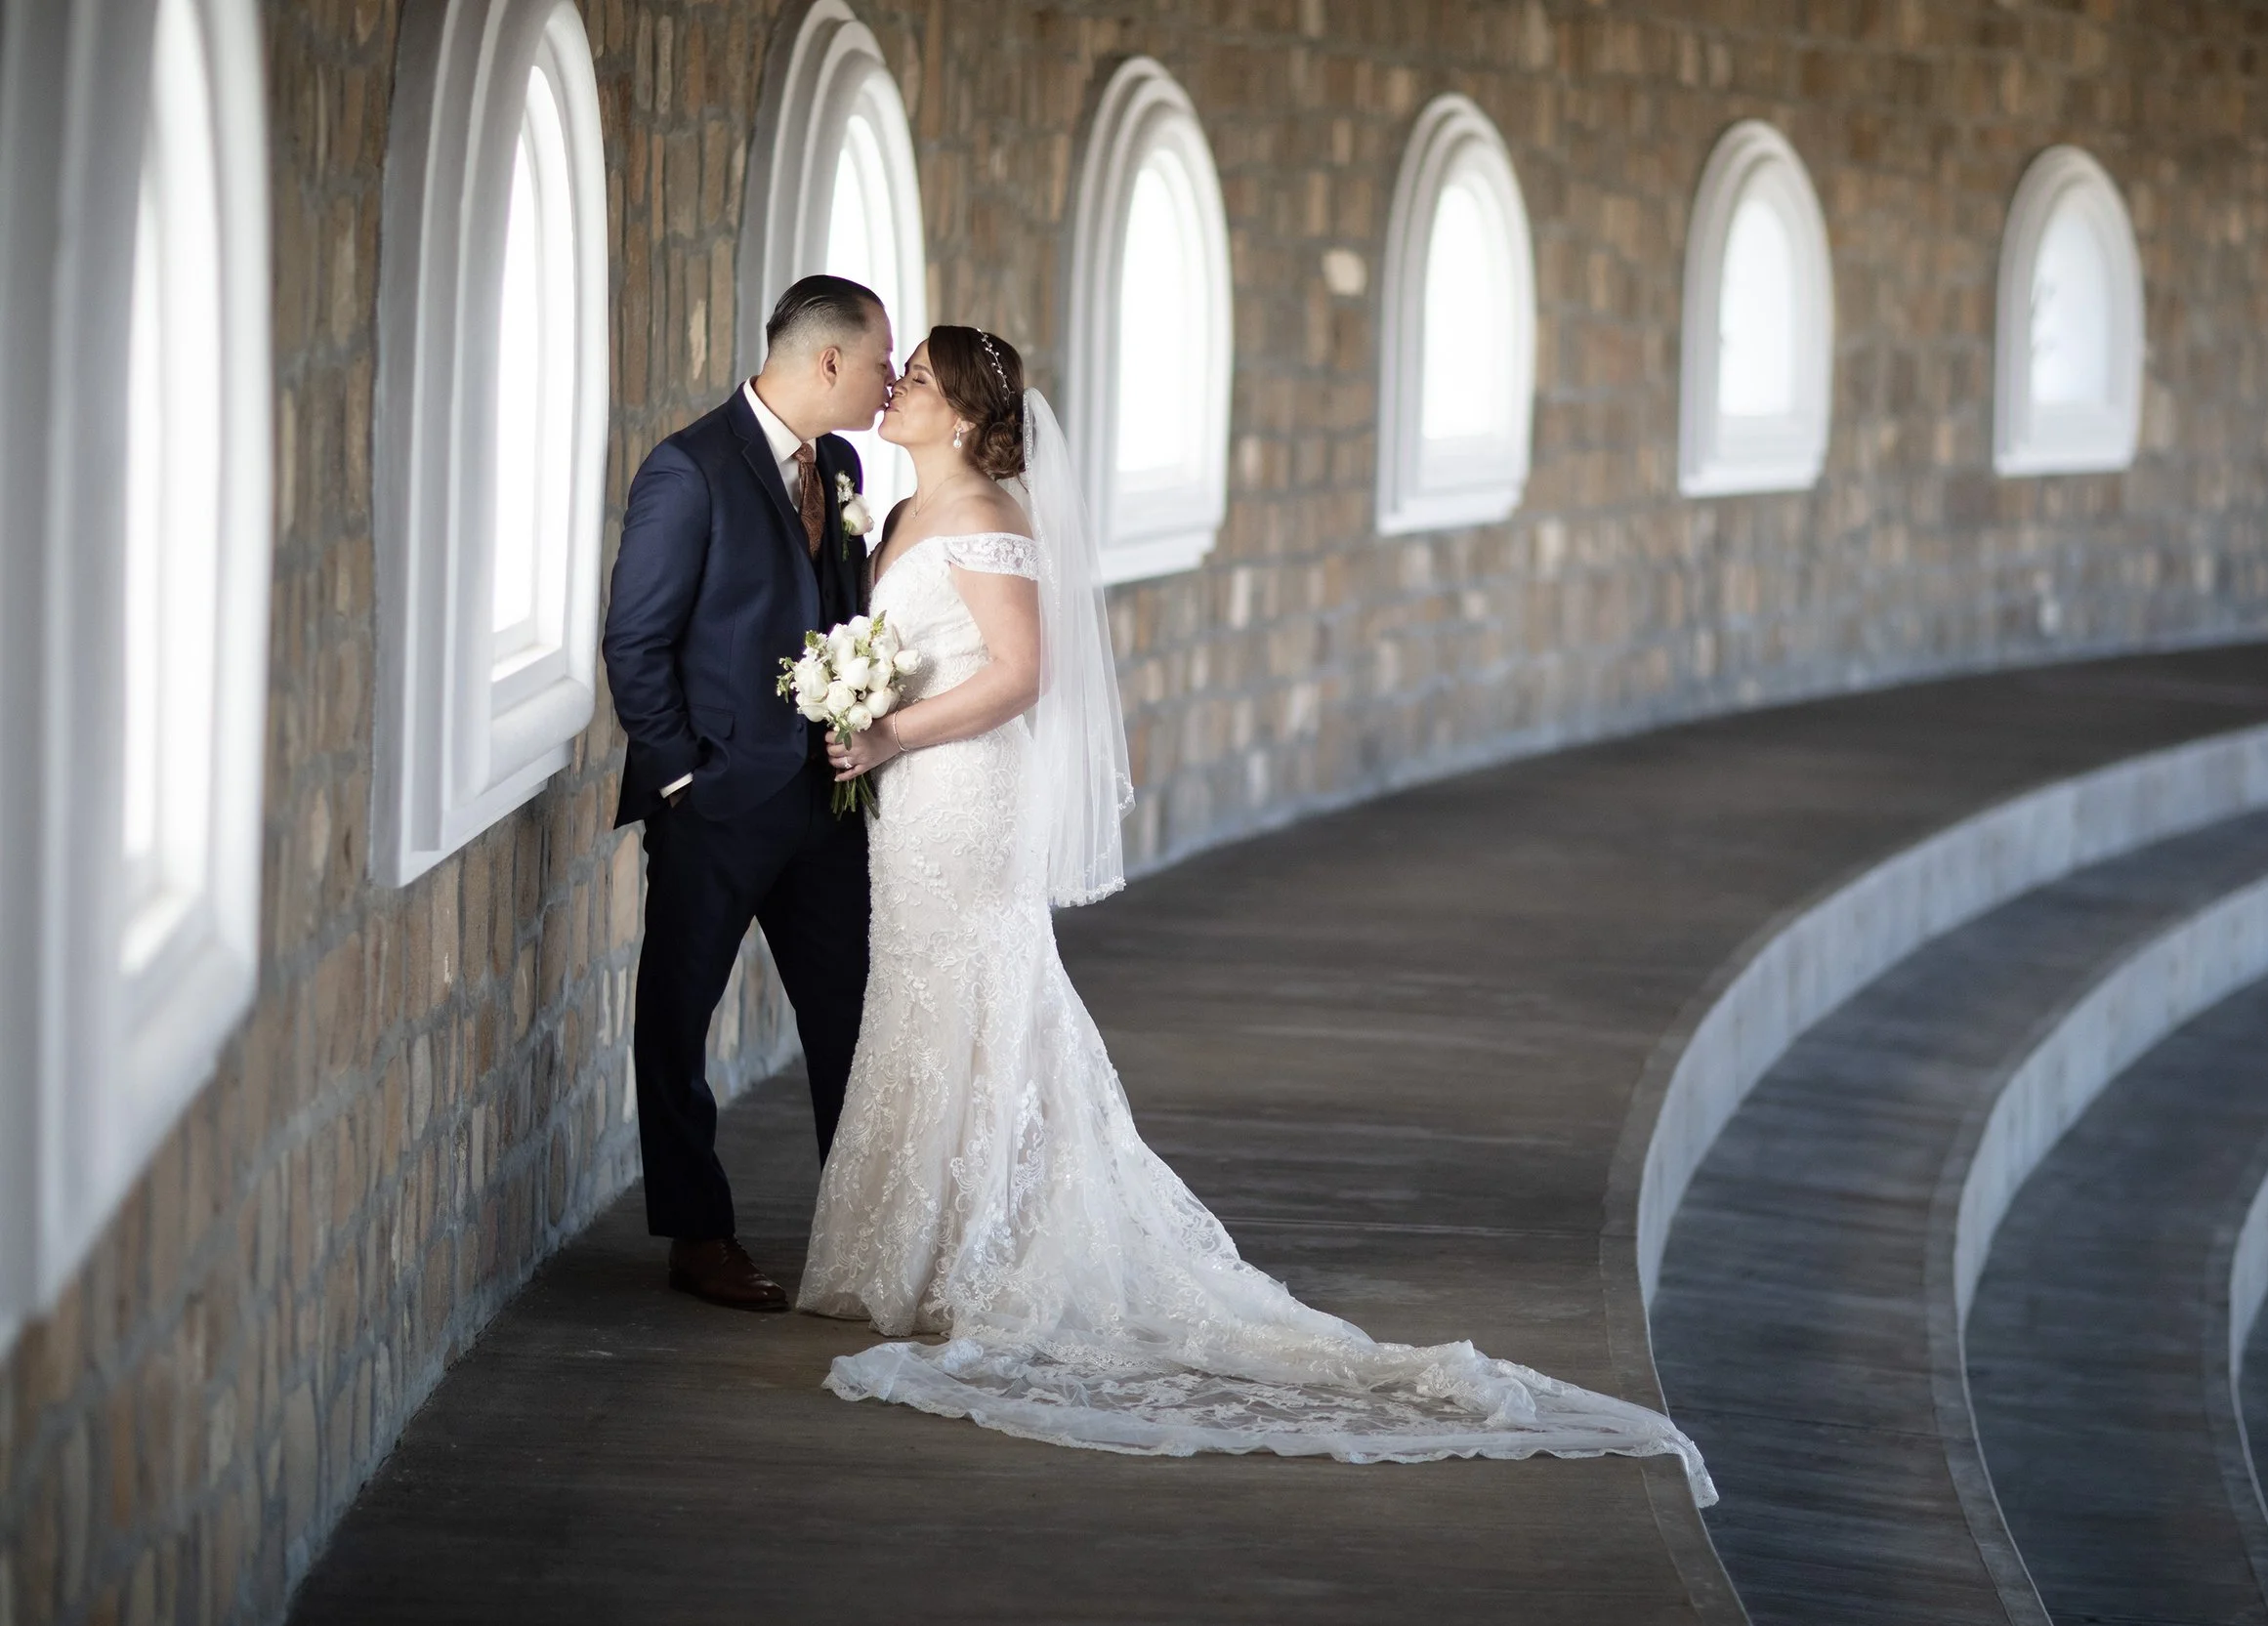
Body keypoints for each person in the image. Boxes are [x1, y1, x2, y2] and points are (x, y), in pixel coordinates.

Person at [794, 325, 1716, 1491]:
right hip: (916, 796)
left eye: (918, 377)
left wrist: (890, 728)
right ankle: (908, 1245)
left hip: (964, 790)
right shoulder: (909, 508)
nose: (898, 386)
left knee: (982, 980)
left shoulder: (985, 514)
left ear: (969, 415)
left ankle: (983, 1243)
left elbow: (1022, 676)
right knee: (921, 983)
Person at [601, 275, 895, 1312]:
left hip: (824, 805)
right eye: (877, 361)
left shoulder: (845, 465)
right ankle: (699, 1233)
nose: (887, 379)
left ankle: (864, 1229)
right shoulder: (689, 470)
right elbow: (634, 643)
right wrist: (687, 776)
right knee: (677, 1017)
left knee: (855, 1017)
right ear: (826, 361)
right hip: (717, 804)